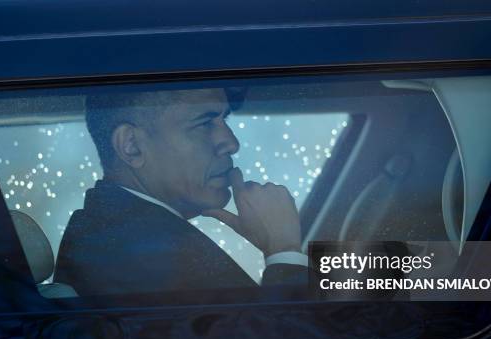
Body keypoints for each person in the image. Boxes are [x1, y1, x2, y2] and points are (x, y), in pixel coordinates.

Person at [54, 87, 308, 296]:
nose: (231, 143)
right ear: (132, 146)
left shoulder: (115, 236)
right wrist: (283, 249)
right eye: (204, 123)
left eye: (224, 120)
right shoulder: (138, 257)